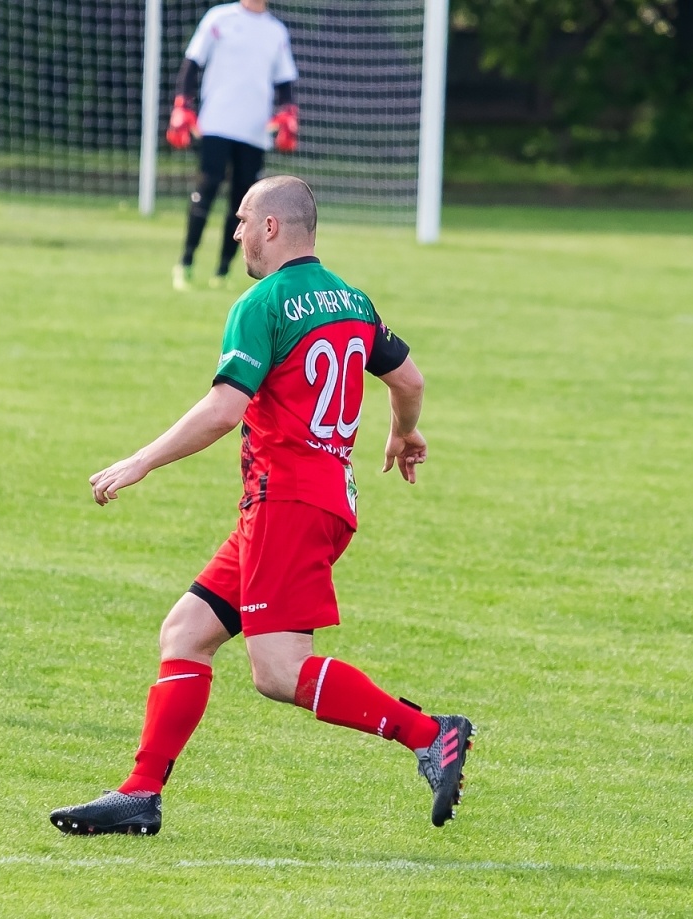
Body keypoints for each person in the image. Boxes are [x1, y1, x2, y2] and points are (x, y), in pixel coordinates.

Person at [50, 176, 473, 837]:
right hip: (309, 501)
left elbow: (224, 410)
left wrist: (140, 461)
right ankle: (140, 794)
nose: (237, 231)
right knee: (185, 633)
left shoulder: (263, 302)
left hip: (290, 503)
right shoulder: (352, 300)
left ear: (273, 227)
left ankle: (428, 733)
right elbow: (408, 378)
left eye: (244, 220)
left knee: (278, 671)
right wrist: (403, 429)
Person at [167, 0, 301, 291]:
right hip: (216, 123)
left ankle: (223, 271)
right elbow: (192, 63)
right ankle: (186, 263)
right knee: (206, 191)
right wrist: (183, 104)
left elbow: (285, 81)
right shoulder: (219, 18)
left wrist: (289, 111)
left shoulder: (275, 31)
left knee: (243, 204)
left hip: (255, 131)